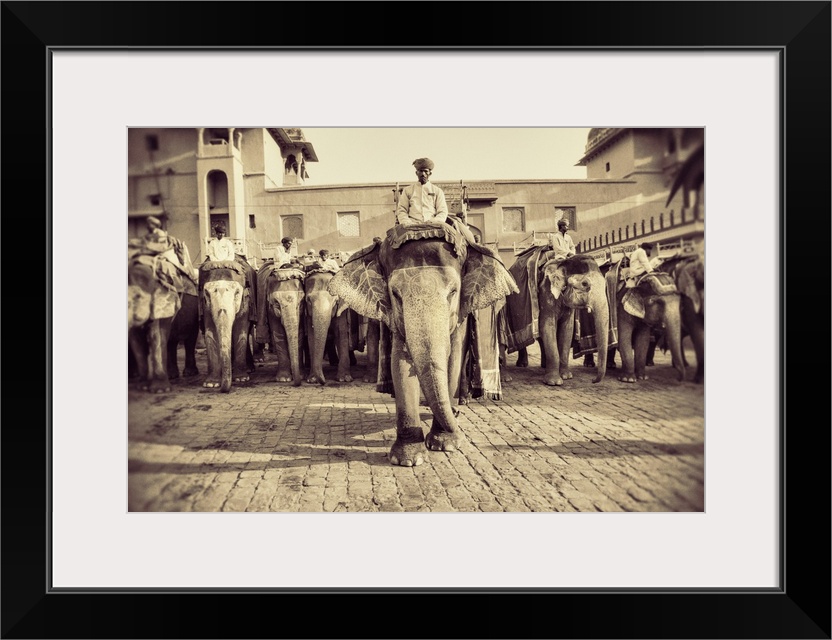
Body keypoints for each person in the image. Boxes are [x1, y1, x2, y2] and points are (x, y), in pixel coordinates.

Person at [395, 158, 449, 226]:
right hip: (412, 225)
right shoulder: (407, 190)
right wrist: (408, 223)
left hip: (433, 225)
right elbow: (401, 210)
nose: (423, 174)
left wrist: (433, 222)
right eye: (420, 171)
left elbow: (442, 211)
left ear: (430, 173)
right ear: (416, 173)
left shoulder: (437, 191)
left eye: (426, 171)